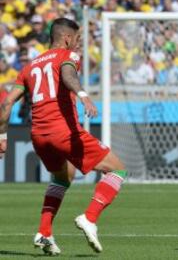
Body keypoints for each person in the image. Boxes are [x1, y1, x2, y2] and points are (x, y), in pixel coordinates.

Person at [0, 18, 127, 256]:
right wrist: (83, 94)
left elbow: (7, 103)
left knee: (63, 176)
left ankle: (44, 232)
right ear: (67, 38)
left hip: (38, 135)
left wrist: (2, 136)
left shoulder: (29, 66)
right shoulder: (67, 56)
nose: (78, 45)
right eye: (78, 39)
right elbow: (68, 74)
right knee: (117, 169)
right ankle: (89, 218)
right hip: (63, 131)